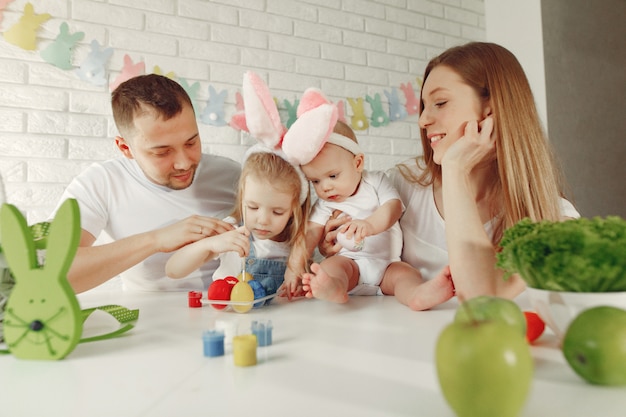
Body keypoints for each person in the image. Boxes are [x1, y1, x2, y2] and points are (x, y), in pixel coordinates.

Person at [321, 42, 579, 309]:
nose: (422, 120)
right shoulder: (399, 186)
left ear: (491, 109)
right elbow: (361, 268)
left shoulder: (550, 215)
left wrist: (456, 169)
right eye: (423, 105)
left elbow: (480, 298)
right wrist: (341, 243)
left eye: (440, 103)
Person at [50, 74, 241, 293]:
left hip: (228, 316)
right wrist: (155, 240)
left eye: (191, 142)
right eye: (162, 152)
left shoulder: (232, 175)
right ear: (125, 148)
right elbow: (52, 271)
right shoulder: (101, 183)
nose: (184, 163)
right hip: (147, 320)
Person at [299, 119, 428, 306]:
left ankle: (416, 295)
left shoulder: (375, 181)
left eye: (333, 176)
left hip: (387, 265)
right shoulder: (324, 204)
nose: (325, 187)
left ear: (358, 163)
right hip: (350, 263)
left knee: (407, 275)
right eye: (315, 181)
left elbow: (393, 207)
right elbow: (310, 234)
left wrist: (369, 225)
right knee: (330, 268)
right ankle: (335, 287)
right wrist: (294, 267)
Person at [166, 150, 310, 298]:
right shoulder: (230, 230)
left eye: (277, 212)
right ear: (242, 199)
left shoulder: (298, 244)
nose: (263, 220)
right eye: (253, 207)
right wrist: (209, 244)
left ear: (294, 210)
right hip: (229, 319)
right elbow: (173, 270)